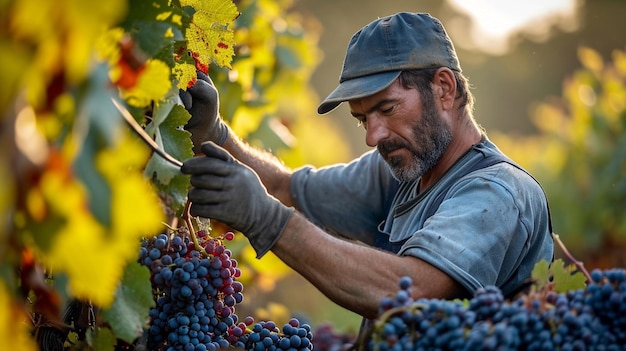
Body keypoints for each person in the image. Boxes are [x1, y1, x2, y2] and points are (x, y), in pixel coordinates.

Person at [179, 12, 554, 324]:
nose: (373, 137)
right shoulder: (399, 171)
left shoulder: (497, 192)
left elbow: (409, 291)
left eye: (387, 110)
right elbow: (283, 187)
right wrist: (213, 132)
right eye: (362, 119)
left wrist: (267, 220)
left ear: (443, 88)